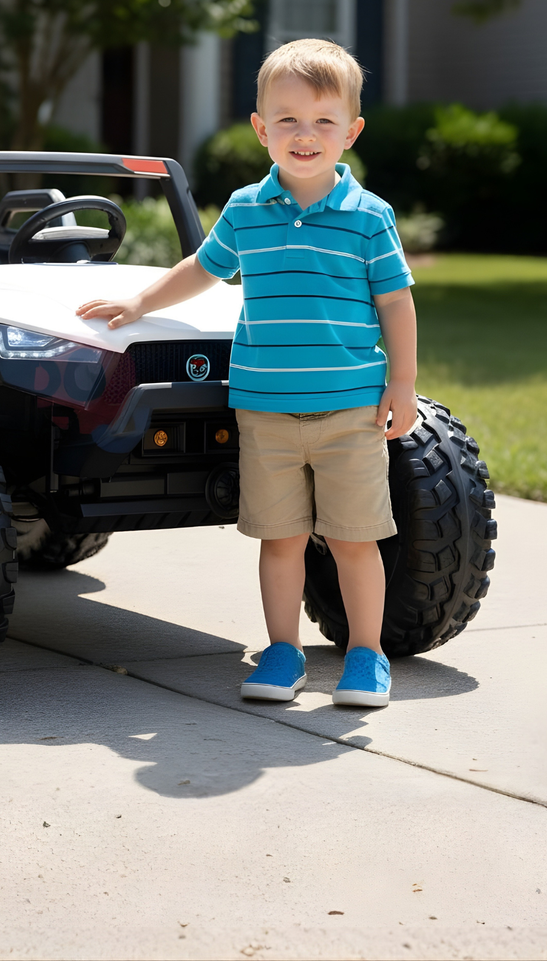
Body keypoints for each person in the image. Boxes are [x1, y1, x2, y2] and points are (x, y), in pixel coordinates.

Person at [76, 39, 416, 709]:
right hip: (265, 410)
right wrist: (140, 303)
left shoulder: (370, 218)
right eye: (288, 120)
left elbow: (396, 302)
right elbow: (203, 267)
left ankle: (366, 655)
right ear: (262, 129)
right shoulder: (246, 209)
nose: (305, 135)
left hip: (350, 408)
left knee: (353, 539)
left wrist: (401, 383)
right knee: (280, 538)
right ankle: (283, 650)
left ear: (351, 131)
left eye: (323, 121)